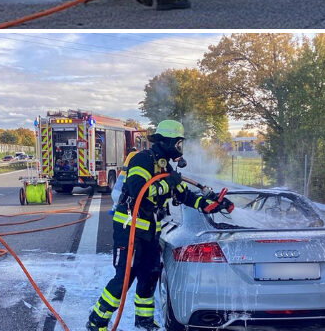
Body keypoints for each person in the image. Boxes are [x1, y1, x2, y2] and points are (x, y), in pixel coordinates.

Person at [86, 120, 233, 331]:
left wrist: (209, 205)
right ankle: (96, 321)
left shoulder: (165, 167)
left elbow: (184, 195)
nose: (180, 148)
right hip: (130, 229)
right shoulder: (142, 160)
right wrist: (168, 183)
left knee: (150, 274)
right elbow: (138, 190)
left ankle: (144, 320)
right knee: (124, 278)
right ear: (166, 142)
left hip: (150, 231)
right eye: (178, 143)